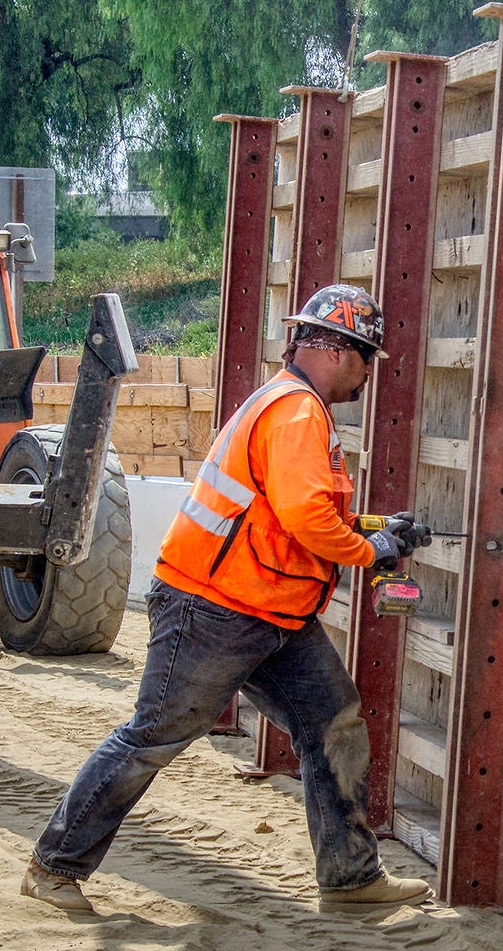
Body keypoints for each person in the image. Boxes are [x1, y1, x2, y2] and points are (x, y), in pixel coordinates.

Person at [23, 283, 434, 914]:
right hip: (215, 608)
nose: (369, 375)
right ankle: (54, 867)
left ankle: (351, 877)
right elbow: (305, 520)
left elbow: (289, 514)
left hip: (267, 609)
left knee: (334, 722)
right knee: (155, 735)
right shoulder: (298, 412)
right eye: (367, 358)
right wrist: (369, 551)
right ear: (333, 350)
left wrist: (373, 528)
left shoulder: (286, 405)